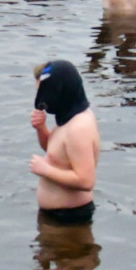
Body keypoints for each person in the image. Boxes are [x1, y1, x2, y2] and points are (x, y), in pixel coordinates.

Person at [29, 60, 101, 225]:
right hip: (56, 217)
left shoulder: (78, 128)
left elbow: (86, 181)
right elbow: (55, 151)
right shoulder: (68, 116)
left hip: (69, 220)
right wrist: (41, 128)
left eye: (44, 93)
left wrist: (45, 170)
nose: (42, 100)